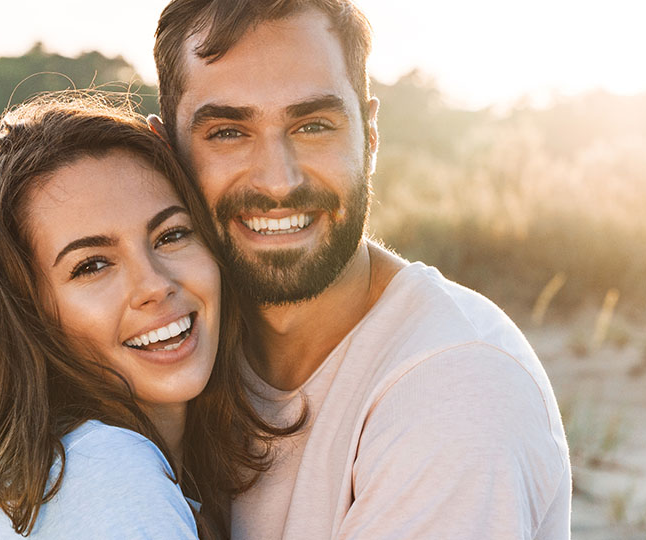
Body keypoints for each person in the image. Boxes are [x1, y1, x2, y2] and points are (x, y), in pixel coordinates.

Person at [150, 1, 572, 538]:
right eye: (229, 132)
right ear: (167, 154)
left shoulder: (457, 392)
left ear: (370, 136)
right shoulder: (174, 348)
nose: (278, 181)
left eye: (313, 125)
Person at [0, 93, 299, 540]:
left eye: (171, 235)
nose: (153, 284)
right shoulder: (108, 474)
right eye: (92, 265)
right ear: (32, 313)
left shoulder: (49, 476)